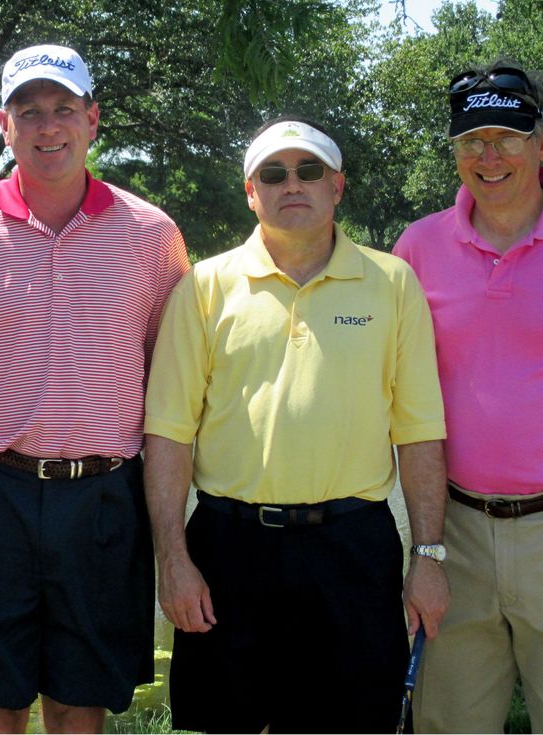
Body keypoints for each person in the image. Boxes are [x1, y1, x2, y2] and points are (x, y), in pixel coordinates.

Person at [0, 43, 189, 733]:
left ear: (93, 120)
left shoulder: (152, 236)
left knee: (79, 697)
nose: (47, 127)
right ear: (5, 126)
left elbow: (172, 380)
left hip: (103, 494)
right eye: (30, 112)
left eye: (63, 109)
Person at [143, 116, 451, 734]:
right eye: (273, 174)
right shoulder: (204, 287)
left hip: (353, 549)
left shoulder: (391, 284)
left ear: (338, 186)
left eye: (309, 170)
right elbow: (168, 434)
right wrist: (172, 557)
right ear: (250, 191)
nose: (293, 184)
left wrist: (427, 555)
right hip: (230, 548)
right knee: (218, 725)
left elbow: (419, 432)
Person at [393, 58, 543, 733]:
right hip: (455, 534)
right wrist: (427, 546)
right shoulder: (418, 248)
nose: (488, 155)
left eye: (507, 136)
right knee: (448, 719)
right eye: (472, 140)